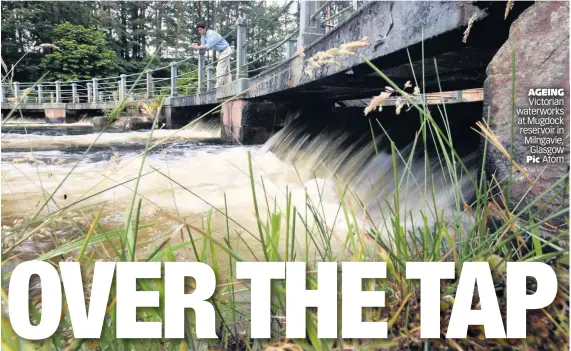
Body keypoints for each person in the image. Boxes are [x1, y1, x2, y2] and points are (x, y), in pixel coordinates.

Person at [191, 22, 233, 88]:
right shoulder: (203, 36)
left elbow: (208, 46)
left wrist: (197, 47)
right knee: (226, 70)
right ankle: (229, 86)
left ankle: (218, 88)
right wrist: (197, 46)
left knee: (220, 68)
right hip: (220, 51)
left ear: (205, 28)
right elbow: (203, 45)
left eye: (200, 29)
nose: (199, 31)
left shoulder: (212, 34)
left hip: (225, 50)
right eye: (198, 30)